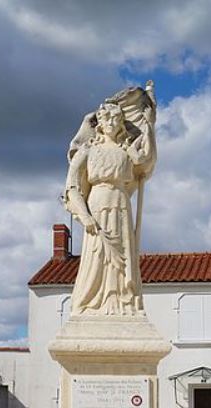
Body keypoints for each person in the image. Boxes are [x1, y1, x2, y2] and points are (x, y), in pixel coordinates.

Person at [64, 87, 156, 316]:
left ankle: (125, 302)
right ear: (100, 122)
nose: (113, 122)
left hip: (121, 204)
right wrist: (84, 216)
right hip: (97, 204)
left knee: (125, 258)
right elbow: (72, 187)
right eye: (109, 118)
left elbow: (146, 161)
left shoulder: (127, 150)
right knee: (97, 255)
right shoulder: (88, 151)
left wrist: (150, 127)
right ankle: (89, 304)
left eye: (118, 118)